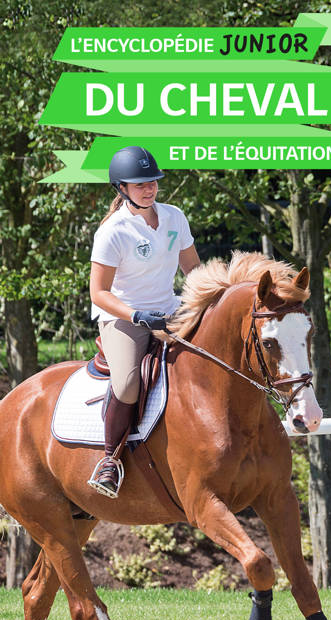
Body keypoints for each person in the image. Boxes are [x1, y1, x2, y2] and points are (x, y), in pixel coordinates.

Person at [88, 146, 200, 498]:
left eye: (152, 182)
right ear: (121, 188)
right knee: (127, 384)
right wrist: (136, 315)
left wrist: (211, 299)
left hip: (170, 311)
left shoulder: (174, 217)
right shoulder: (112, 231)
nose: (149, 189)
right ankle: (110, 460)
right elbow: (98, 293)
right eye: (140, 184)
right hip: (125, 318)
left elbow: (193, 270)